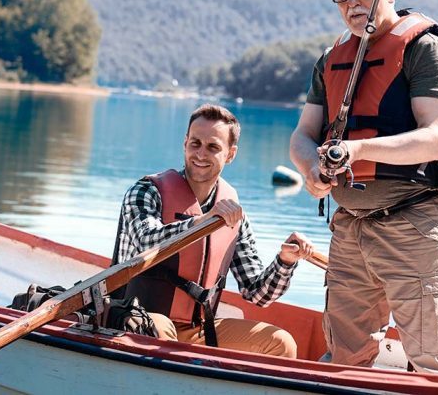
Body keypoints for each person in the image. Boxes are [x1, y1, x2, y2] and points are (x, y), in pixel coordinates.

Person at [289, 0, 438, 374]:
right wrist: (310, 170)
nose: (352, 3)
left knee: (431, 359)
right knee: (344, 356)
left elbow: (433, 140)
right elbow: (302, 135)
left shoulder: (425, 49)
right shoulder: (332, 58)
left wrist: (358, 150)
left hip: (414, 224)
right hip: (350, 225)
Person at [112, 103, 313, 358]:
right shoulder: (146, 192)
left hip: (198, 329)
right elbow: (146, 242)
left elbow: (257, 294)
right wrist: (202, 222)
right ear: (185, 143)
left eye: (213, 147)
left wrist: (285, 262)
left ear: (230, 154)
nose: (201, 154)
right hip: (135, 318)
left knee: (281, 343)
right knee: (161, 334)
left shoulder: (233, 213)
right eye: (195, 143)